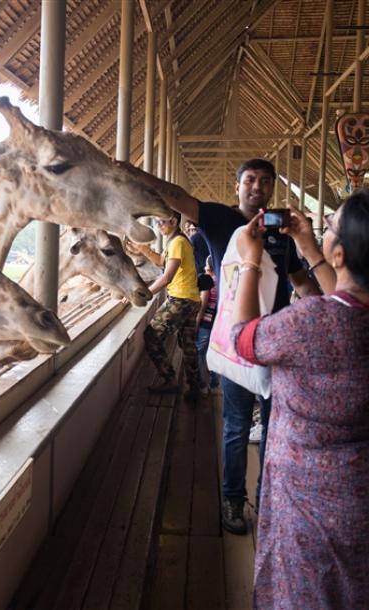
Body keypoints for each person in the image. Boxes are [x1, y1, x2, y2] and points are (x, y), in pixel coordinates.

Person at [117, 158, 321, 535]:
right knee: (236, 427)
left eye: (264, 181)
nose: (256, 186)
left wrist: (328, 311)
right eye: (249, 180)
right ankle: (232, 500)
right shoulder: (218, 221)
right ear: (237, 187)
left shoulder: (282, 234)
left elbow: (302, 285)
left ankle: (265, 501)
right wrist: (135, 174)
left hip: (277, 344)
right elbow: (176, 196)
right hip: (234, 344)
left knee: (275, 430)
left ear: (272, 188)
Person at [230, 188, 369, 609]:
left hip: (309, 503)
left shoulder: (309, 322)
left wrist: (249, 260)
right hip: (368, 495)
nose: (325, 228)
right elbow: (349, 301)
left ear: (342, 254)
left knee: (308, 591)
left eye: (330, 226)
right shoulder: (342, 315)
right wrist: (310, 246)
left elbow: (244, 339)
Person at [133, 211, 203, 401]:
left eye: (161, 222)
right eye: (156, 222)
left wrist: (145, 294)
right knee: (187, 343)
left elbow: (167, 276)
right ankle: (195, 385)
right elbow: (162, 263)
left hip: (180, 298)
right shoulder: (175, 241)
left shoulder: (178, 242)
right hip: (191, 298)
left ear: (173, 221)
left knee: (151, 335)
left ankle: (169, 379)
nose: (157, 226)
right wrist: (144, 250)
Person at [196, 255, 219, 393]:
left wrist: (197, 323)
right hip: (218, 324)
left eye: (206, 265)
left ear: (210, 267)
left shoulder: (207, 281)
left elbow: (203, 305)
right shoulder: (222, 281)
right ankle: (214, 383)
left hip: (206, 323)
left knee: (200, 352)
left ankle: (203, 385)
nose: (204, 267)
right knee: (214, 352)